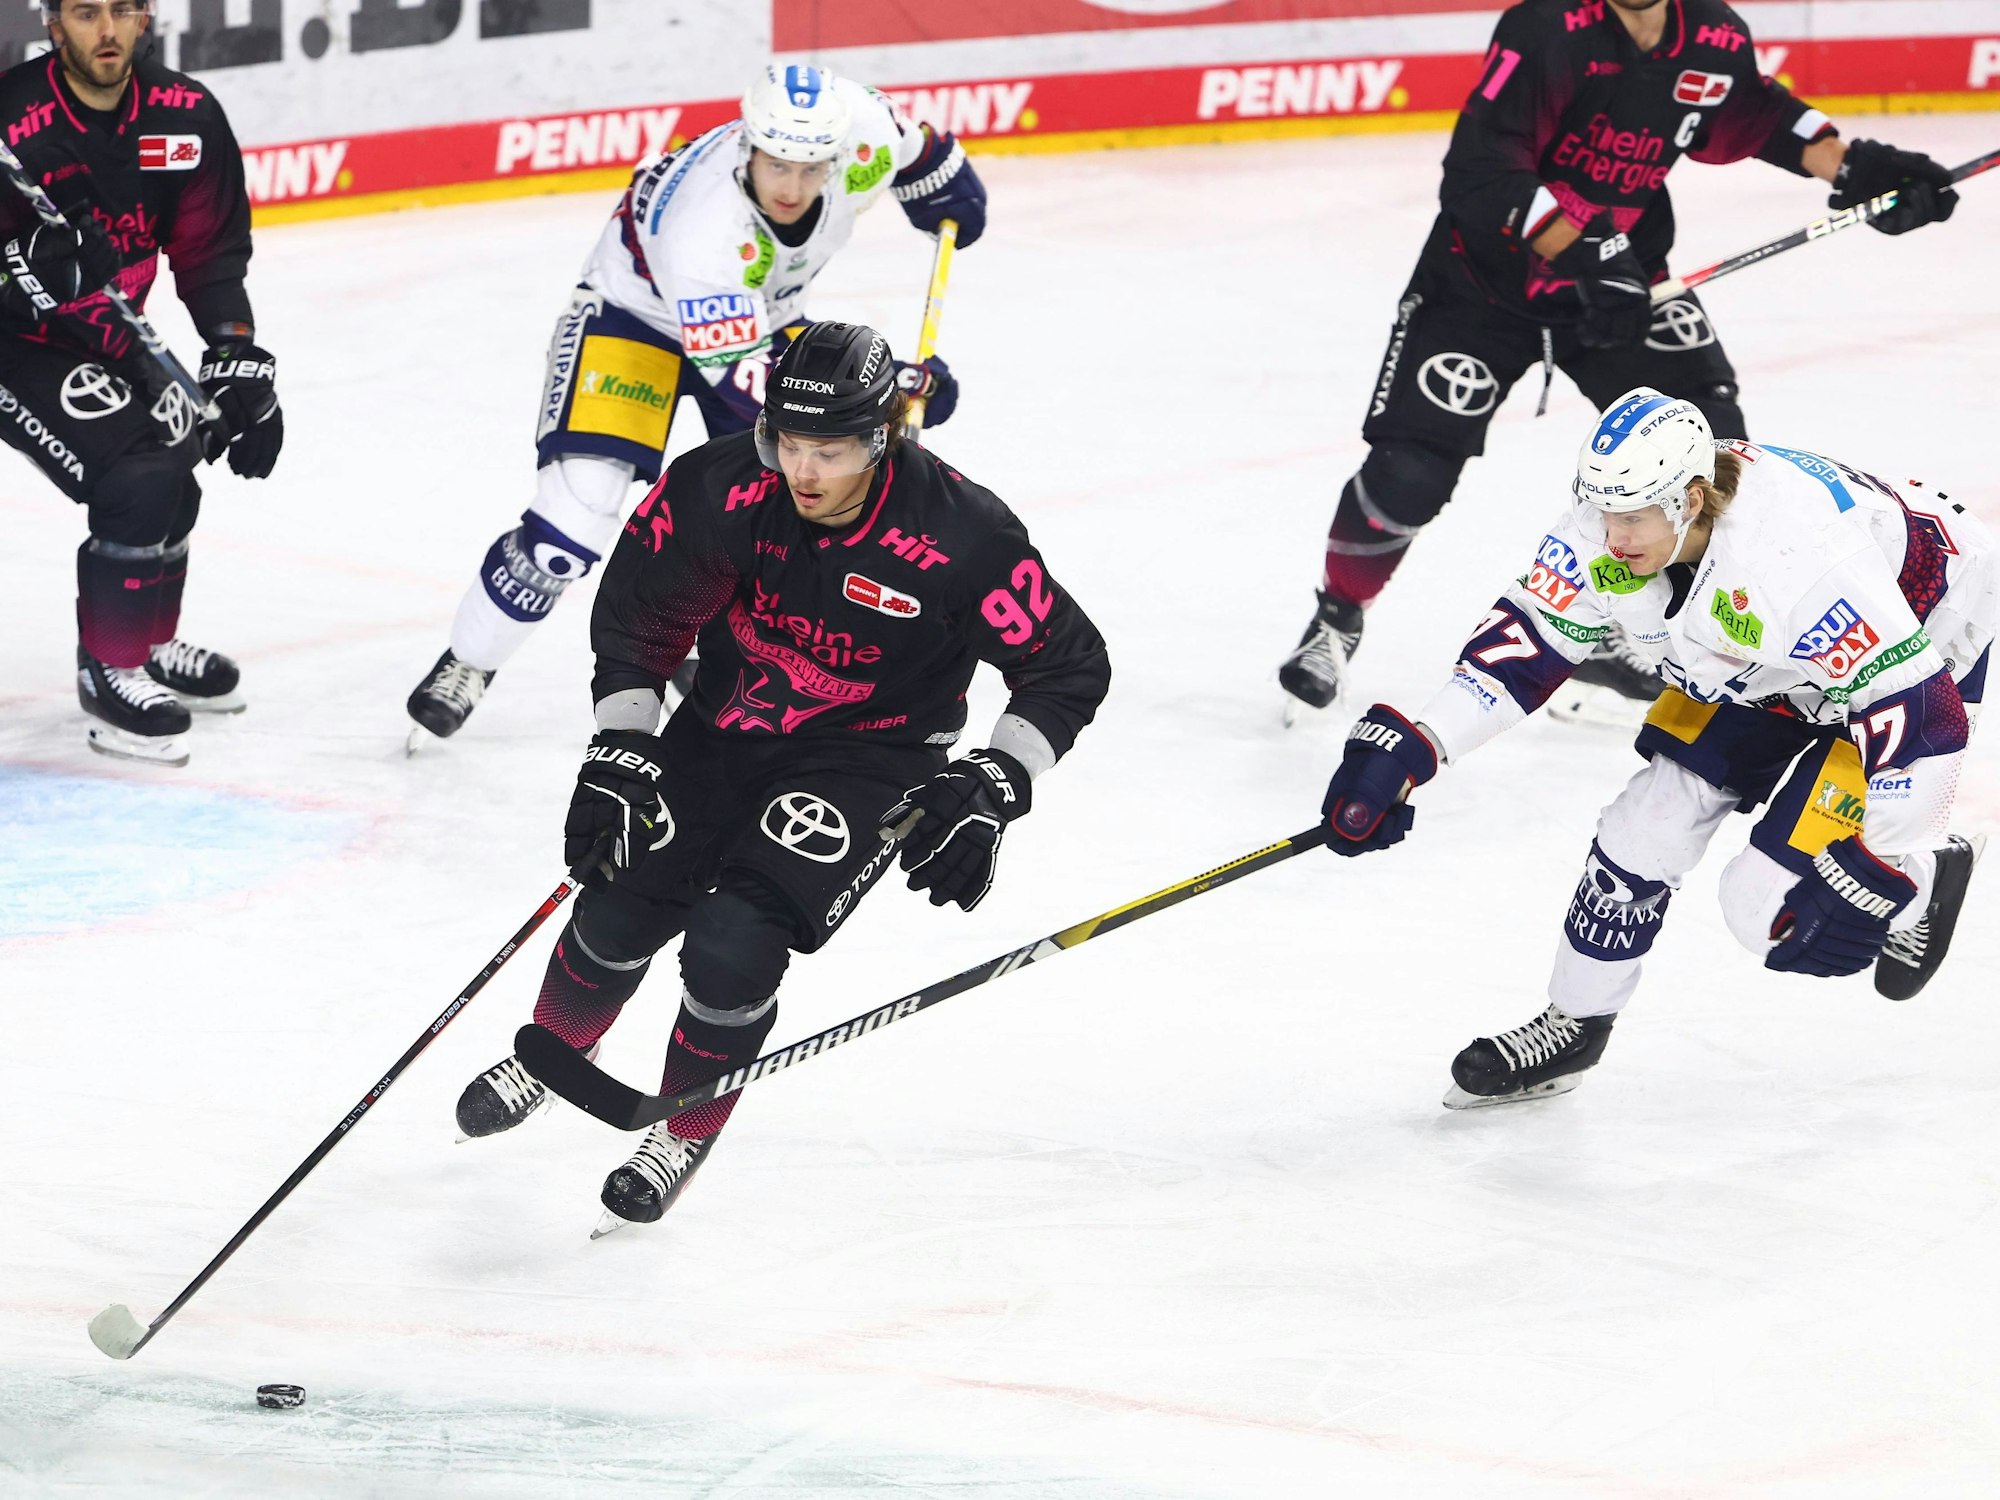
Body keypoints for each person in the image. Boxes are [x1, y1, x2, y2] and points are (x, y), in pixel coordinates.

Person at [452, 321, 1110, 1233]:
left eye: (830, 449)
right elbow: (639, 630)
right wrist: (621, 747)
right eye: (787, 442)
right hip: (724, 727)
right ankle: (560, 1048)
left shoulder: (963, 537)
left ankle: (681, 1125)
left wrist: (997, 780)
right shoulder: (720, 489)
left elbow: (1067, 667)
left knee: (732, 940)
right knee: (616, 900)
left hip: (872, 759)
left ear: (883, 438)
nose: (803, 470)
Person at [1277, 0, 1959, 724]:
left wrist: (1857, 167)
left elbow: (1752, 110)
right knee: (1407, 474)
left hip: (1623, 285)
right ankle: (1337, 615)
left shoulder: (1714, 35)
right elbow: (1480, 172)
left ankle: (1628, 632)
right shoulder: (1545, 30)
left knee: (1713, 452)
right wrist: (1581, 251)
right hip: (1480, 287)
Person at [1317, 387, 1993, 1106]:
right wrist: (1420, 748)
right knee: (1642, 829)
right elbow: (1526, 643)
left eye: (1632, 517)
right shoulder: (1615, 518)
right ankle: (1573, 1025)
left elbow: (1923, 719)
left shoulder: (1795, 562)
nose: (1612, 537)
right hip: (1764, 656)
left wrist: (1882, 864)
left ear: (1691, 500)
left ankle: (1930, 875)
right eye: (1605, 510)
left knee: (1767, 915)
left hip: (1922, 643)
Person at [404, 63, 986, 749]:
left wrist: (939, 182)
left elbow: (925, 157)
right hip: (632, 316)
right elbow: (757, 387)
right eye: (777, 166)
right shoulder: (703, 232)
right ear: (746, 145)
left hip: (766, 319)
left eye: (811, 169)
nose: (794, 187)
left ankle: (722, 650)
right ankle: (470, 659)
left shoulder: (864, 129)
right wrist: (883, 400)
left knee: (805, 500)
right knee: (570, 526)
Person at [0, 0, 281, 766]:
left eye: (122, 10)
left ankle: (149, 645)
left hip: (111, 331)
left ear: (146, 18)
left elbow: (210, 254)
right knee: (138, 475)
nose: (108, 31)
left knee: (180, 462)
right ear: (54, 25)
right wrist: (29, 274)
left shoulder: (185, 116)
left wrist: (238, 359)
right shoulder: (13, 121)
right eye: (86, 13)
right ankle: (108, 674)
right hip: (16, 344)